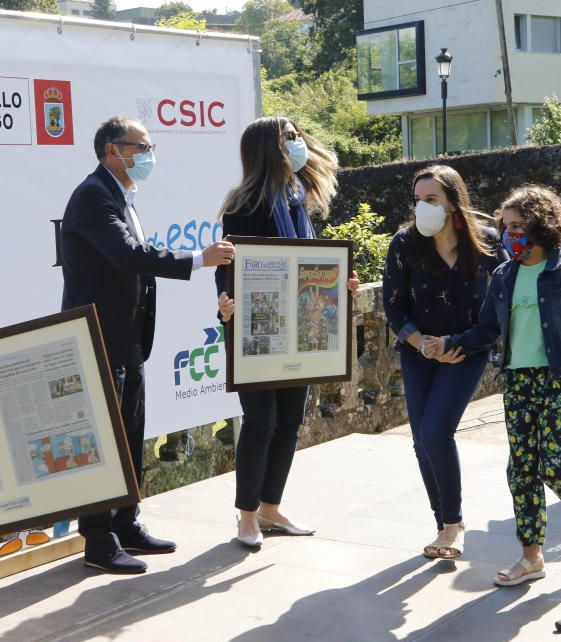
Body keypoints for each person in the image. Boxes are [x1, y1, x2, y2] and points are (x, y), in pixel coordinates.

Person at [60, 116, 235, 574]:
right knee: (106, 438)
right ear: (112, 150)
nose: (148, 153)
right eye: (141, 146)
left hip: (128, 339)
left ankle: (126, 522)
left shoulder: (122, 195)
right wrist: (199, 258)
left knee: (131, 431)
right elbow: (127, 256)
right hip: (100, 337)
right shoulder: (93, 196)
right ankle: (98, 540)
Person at [434, 185, 561, 585]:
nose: (509, 235)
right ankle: (531, 557)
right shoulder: (504, 276)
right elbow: (486, 329)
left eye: (518, 226)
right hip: (519, 382)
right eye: (505, 227)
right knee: (521, 469)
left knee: (554, 464)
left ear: (541, 226)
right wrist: (450, 345)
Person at [215, 116, 358, 548]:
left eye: (297, 136)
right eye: (289, 138)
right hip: (257, 328)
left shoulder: (296, 197)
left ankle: (271, 508)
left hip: (302, 325)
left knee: (291, 420)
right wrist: (225, 301)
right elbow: (230, 263)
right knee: (260, 422)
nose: (298, 144)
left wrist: (341, 284)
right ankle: (246, 515)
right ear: (267, 149)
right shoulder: (244, 203)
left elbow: (308, 261)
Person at [382, 165, 506, 561]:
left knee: (436, 432)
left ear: (453, 202)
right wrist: (423, 344)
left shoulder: (486, 243)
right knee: (422, 442)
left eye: (431, 199)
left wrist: (457, 344)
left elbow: (498, 306)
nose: (422, 208)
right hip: (420, 352)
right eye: (417, 200)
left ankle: (453, 523)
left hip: (465, 351)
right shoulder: (404, 243)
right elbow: (394, 305)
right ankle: (443, 523)